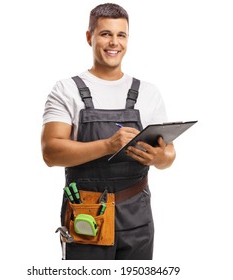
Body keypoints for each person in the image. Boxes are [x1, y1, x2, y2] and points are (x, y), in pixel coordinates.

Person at [41, 3, 176, 260]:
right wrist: (108, 145)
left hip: (137, 215)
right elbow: (51, 153)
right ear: (89, 37)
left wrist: (158, 158)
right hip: (86, 214)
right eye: (105, 34)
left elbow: (169, 155)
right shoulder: (66, 90)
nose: (114, 42)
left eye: (121, 35)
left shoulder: (148, 92)